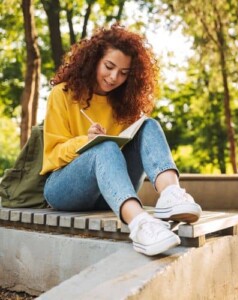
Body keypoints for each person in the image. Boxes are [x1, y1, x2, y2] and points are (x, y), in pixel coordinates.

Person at [40, 23, 201, 256]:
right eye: (109, 66)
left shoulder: (123, 104)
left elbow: (129, 150)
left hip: (111, 192)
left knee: (149, 124)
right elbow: (52, 155)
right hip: (63, 189)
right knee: (105, 147)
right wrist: (86, 142)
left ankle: (170, 194)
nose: (114, 77)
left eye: (124, 73)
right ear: (93, 60)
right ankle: (140, 225)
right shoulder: (62, 94)